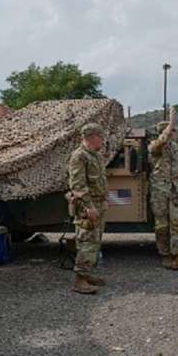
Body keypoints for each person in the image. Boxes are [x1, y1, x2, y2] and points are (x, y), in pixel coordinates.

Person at [148, 107, 178, 272]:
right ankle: (165, 255)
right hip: (160, 191)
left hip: (176, 191)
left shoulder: (176, 148)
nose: (174, 132)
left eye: (174, 129)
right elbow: (161, 141)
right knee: (161, 225)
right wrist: (171, 122)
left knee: (177, 224)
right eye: (172, 130)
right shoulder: (154, 146)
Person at [67, 123, 109, 294]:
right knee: (87, 242)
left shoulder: (96, 156)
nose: (103, 141)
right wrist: (89, 206)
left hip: (98, 204)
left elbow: (101, 180)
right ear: (92, 137)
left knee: (96, 241)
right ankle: (79, 280)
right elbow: (77, 184)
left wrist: (105, 199)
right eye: (101, 137)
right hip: (87, 206)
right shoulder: (79, 156)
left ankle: (88, 274)